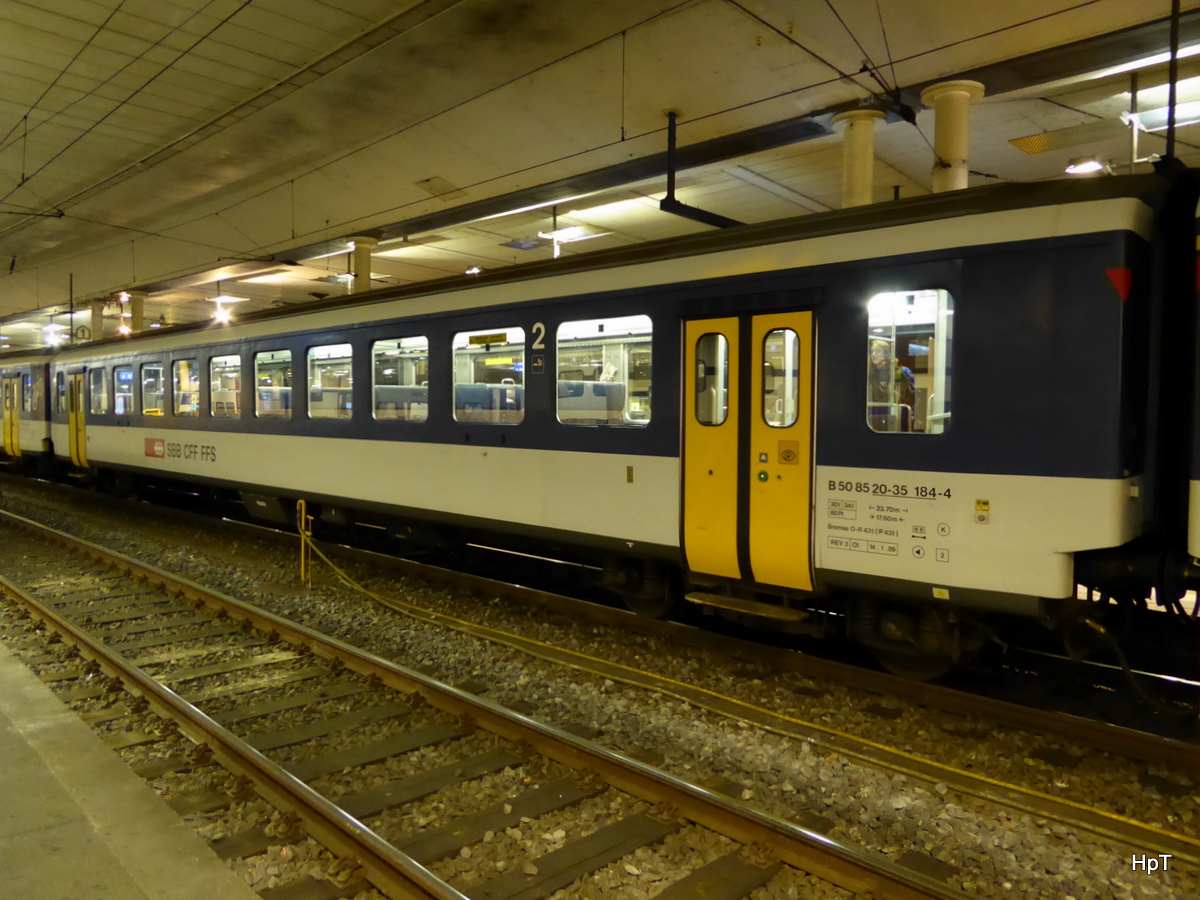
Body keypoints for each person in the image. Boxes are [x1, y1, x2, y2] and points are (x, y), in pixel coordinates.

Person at [867, 338, 915, 432]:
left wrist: (894, 393)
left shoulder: (902, 373)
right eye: (872, 351)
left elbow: (910, 398)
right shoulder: (869, 375)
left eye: (878, 351)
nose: (873, 355)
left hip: (897, 418)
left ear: (887, 353)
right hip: (873, 419)